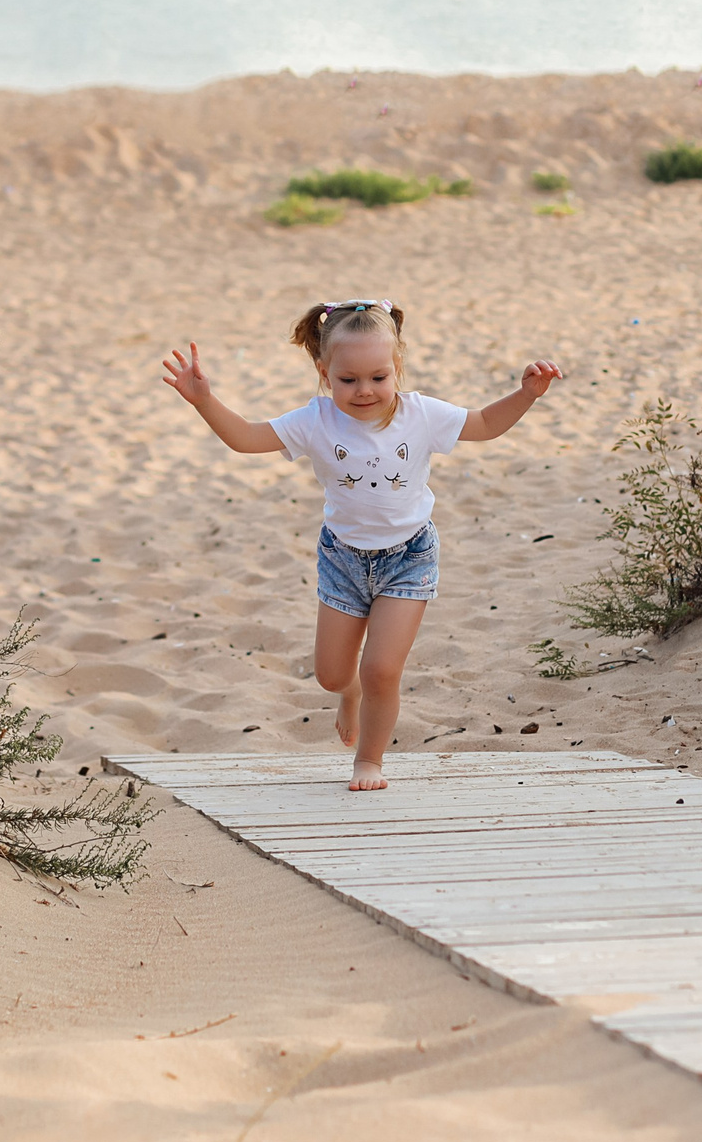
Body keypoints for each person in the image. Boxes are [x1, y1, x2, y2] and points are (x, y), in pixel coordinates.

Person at [163, 298, 561, 789]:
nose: (364, 390)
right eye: (348, 379)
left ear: (397, 366)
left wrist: (526, 395)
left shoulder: (421, 415)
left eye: (378, 376)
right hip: (343, 559)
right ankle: (347, 696)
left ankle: (369, 761)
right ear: (324, 372)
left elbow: (483, 424)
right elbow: (246, 438)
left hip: (408, 558)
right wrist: (204, 399)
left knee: (380, 670)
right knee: (333, 676)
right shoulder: (315, 421)